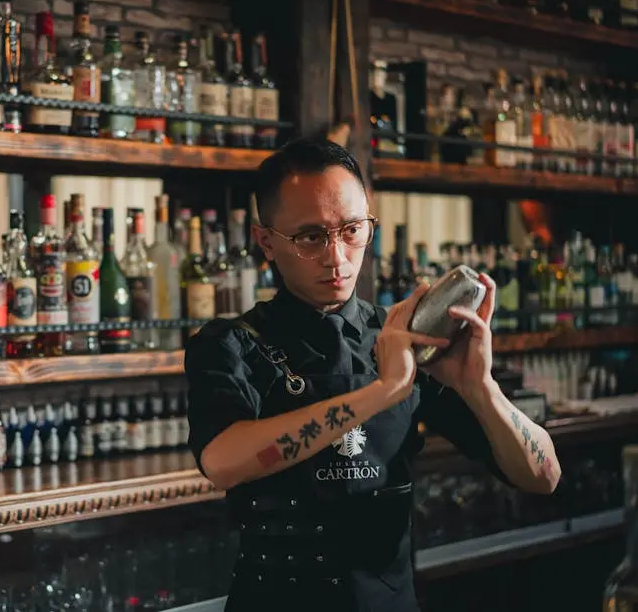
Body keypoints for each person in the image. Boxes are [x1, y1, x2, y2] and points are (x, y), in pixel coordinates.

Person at [184, 137, 562, 611]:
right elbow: (222, 461)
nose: (337, 256)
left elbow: (544, 476)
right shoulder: (230, 344)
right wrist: (383, 391)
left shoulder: (403, 335)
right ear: (267, 243)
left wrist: (479, 387)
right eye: (310, 237)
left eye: (352, 230)